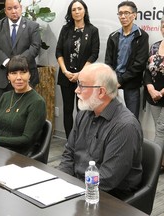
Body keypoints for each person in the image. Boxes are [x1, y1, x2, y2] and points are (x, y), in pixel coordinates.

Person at [58, 63, 143, 200]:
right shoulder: (84, 114)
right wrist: (60, 182)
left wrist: (72, 192)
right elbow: (69, 154)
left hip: (111, 198)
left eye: (82, 86)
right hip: (79, 186)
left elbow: (107, 178)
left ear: (101, 92)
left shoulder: (125, 126)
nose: (76, 90)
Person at [0, 55, 46, 156]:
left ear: (30, 75)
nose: (18, 78)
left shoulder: (37, 102)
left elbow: (26, 140)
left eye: (23, 72)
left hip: (20, 156)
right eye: (13, 73)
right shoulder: (5, 96)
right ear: (8, 76)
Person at [56, 0, 99, 139]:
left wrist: (80, 73)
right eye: (74, 9)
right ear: (71, 12)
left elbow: (94, 54)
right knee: (68, 110)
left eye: (79, 8)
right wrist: (65, 71)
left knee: (82, 110)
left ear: (84, 10)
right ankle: (69, 141)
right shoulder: (65, 29)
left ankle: (81, 141)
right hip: (66, 77)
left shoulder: (92, 30)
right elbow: (58, 52)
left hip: (84, 78)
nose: (77, 12)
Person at [0, 0, 41, 104]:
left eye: (16, 7)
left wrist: (17, 64)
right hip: (1, 78)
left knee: (25, 110)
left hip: (25, 76)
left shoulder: (33, 26)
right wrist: (7, 62)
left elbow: (35, 46)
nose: (13, 11)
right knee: (2, 111)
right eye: (9, 8)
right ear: (5, 11)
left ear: (21, 8)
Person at [105, 1, 149, 119]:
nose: (123, 16)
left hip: (131, 85)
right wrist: (113, 80)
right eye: (120, 13)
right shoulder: (113, 36)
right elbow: (108, 62)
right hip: (113, 84)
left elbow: (139, 64)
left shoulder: (142, 36)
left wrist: (121, 80)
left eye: (126, 13)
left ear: (134, 15)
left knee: (131, 119)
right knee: (111, 118)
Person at [144, 15, 164, 169]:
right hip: (153, 96)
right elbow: (147, 72)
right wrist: (151, 89)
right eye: (163, 26)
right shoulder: (155, 46)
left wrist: (162, 92)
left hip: (162, 94)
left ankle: (154, 165)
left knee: (161, 129)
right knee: (160, 129)